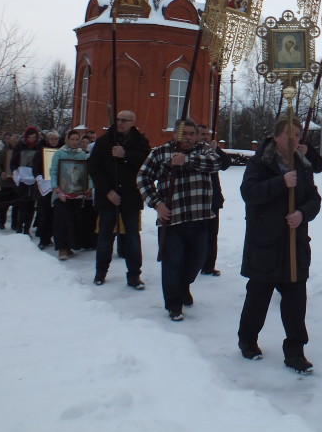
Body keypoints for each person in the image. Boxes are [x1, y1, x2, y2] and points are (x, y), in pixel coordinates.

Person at [237, 117, 322, 374]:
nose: (295, 139)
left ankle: (295, 351)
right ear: (276, 137)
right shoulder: (260, 162)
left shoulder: (302, 165)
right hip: (265, 243)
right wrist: (281, 182)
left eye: (298, 135)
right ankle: (248, 340)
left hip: (295, 244)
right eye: (289, 134)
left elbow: (314, 199)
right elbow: (249, 192)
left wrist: (302, 214)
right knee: (258, 298)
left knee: (296, 302)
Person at [138, 119, 222, 320]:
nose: (189, 138)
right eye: (185, 134)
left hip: (199, 217)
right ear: (175, 133)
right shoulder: (159, 153)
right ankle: (174, 304)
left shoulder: (203, 150)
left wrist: (186, 160)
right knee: (172, 262)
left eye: (192, 134)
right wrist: (157, 204)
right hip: (172, 219)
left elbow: (216, 163)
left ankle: (183, 285)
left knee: (198, 259)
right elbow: (143, 178)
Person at [89, 111, 151, 288]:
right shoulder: (104, 141)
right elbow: (94, 168)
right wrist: (107, 191)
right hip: (108, 197)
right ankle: (100, 271)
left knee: (132, 237)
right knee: (105, 236)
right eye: (118, 119)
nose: (120, 123)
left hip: (131, 196)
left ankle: (134, 275)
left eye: (124, 120)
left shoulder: (140, 142)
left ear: (132, 122)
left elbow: (147, 163)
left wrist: (126, 155)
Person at [50, 130, 91, 261]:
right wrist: (55, 187)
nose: (74, 142)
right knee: (61, 220)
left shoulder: (82, 155)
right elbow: (53, 171)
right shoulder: (59, 153)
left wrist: (89, 186)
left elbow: (87, 172)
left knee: (73, 220)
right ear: (67, 140)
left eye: (76, 140)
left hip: (76, 193)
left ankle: (69, 246)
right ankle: (62, 247)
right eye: (72, 139)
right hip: (61, 193)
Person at [198, 124, 231, 277]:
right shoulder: (195, 152)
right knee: (198, 235)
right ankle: (195, 262)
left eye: (207, 134)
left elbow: (226, 164)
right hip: (197, 200)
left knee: (212, 234)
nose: (206, 137)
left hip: (213, 199)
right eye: (202, 134)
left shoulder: (213, 151)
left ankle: (209, 265)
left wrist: (217, 149)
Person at [10, 126, 44, 236]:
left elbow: (42, 161)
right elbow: (13, 161)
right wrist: (15, 172)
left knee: (31, 205)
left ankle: (27, 229)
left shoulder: (39, 146)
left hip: (34, 178)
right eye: (30, 137)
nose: (32, 140)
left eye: (34, 137)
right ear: (26, 137)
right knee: (22, 204)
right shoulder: (20, 145)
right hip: (22, 179)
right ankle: (19, 227)